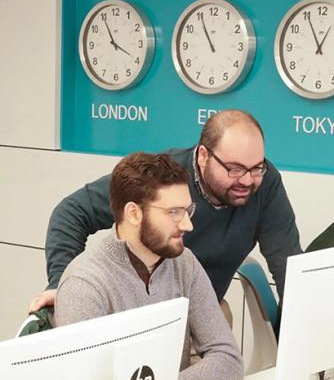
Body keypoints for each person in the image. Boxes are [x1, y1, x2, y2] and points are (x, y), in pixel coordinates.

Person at [31, 109, 302, 322]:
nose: (247, 179)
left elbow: (287, 265)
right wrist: (61, 286)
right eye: (234, 169)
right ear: (203, 156)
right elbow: (71, 212)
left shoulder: (265, 183)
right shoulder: (160, 181)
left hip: (203, 312)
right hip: (137, 317)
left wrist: (303, 329)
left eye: (256, 167)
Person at [54, 152, 244, 380]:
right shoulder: (84, 285)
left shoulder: (185, 263)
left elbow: (228, 359)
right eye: (173, 212)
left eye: (187, 210)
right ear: (134, 213)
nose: (188, 224)